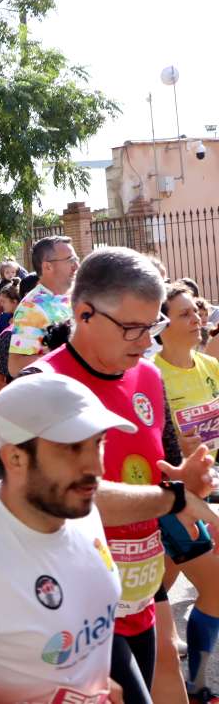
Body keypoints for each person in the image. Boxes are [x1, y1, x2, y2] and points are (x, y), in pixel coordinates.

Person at [0, 372, 219, 704]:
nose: (95, 467)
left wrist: (177, 498)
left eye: (98, 443)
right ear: (15, 457)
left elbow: (110, 498)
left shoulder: (77, 504)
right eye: (71, 449)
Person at [23, 247, 186, 701]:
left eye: (152, 326)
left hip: (139, 599)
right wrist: (170, 499)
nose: (145, 341)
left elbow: (164, 470)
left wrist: (186, 484)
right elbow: (69, 503)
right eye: (132, 328)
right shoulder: (42, 388)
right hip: (70, 608)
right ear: (84, 313)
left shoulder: (149, 378)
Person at [151, 282, 219, 703]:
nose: (196, 320)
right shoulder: (152, 375)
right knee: (214, 586)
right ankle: (196, 684)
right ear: (162, 326)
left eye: (196, 312)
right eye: (184, 314)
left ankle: (160, 656)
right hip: (170, 497)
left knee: (156, 583)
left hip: (207, 488)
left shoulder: (210, 368)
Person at [8, 234, 79, 377]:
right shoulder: (32, 308)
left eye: (76, 259)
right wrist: (68, 361)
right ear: (47, 266)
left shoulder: (76, 297)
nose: (76, 265)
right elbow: (15, 365)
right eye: (70, 260)